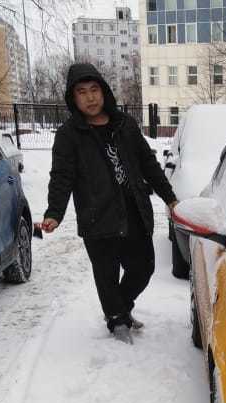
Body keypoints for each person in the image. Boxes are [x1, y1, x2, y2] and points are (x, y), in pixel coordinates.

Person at [39, 63, 178, 343]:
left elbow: (148, 164)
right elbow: (62, 175)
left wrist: (170, 197)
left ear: (104, 92)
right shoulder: (69, 134)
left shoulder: (124, 124)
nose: (90, 98)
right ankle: (117, 320)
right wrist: (55, 212)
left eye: (94, 90)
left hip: (133, 210)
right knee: (106, 273)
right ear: (73, 97)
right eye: (82, 92)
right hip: (96, 214)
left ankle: (119, 310)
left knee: (144, 267)